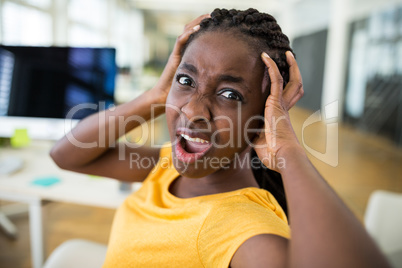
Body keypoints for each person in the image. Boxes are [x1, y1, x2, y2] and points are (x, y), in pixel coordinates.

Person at [50, 8, 390, 268]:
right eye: (186, 81)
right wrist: (155, 96)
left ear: (265, 117)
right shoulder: (167, 165)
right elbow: (66, 155)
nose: (194, 111)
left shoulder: (241, 228)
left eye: (230, 94)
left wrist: (286, 151)